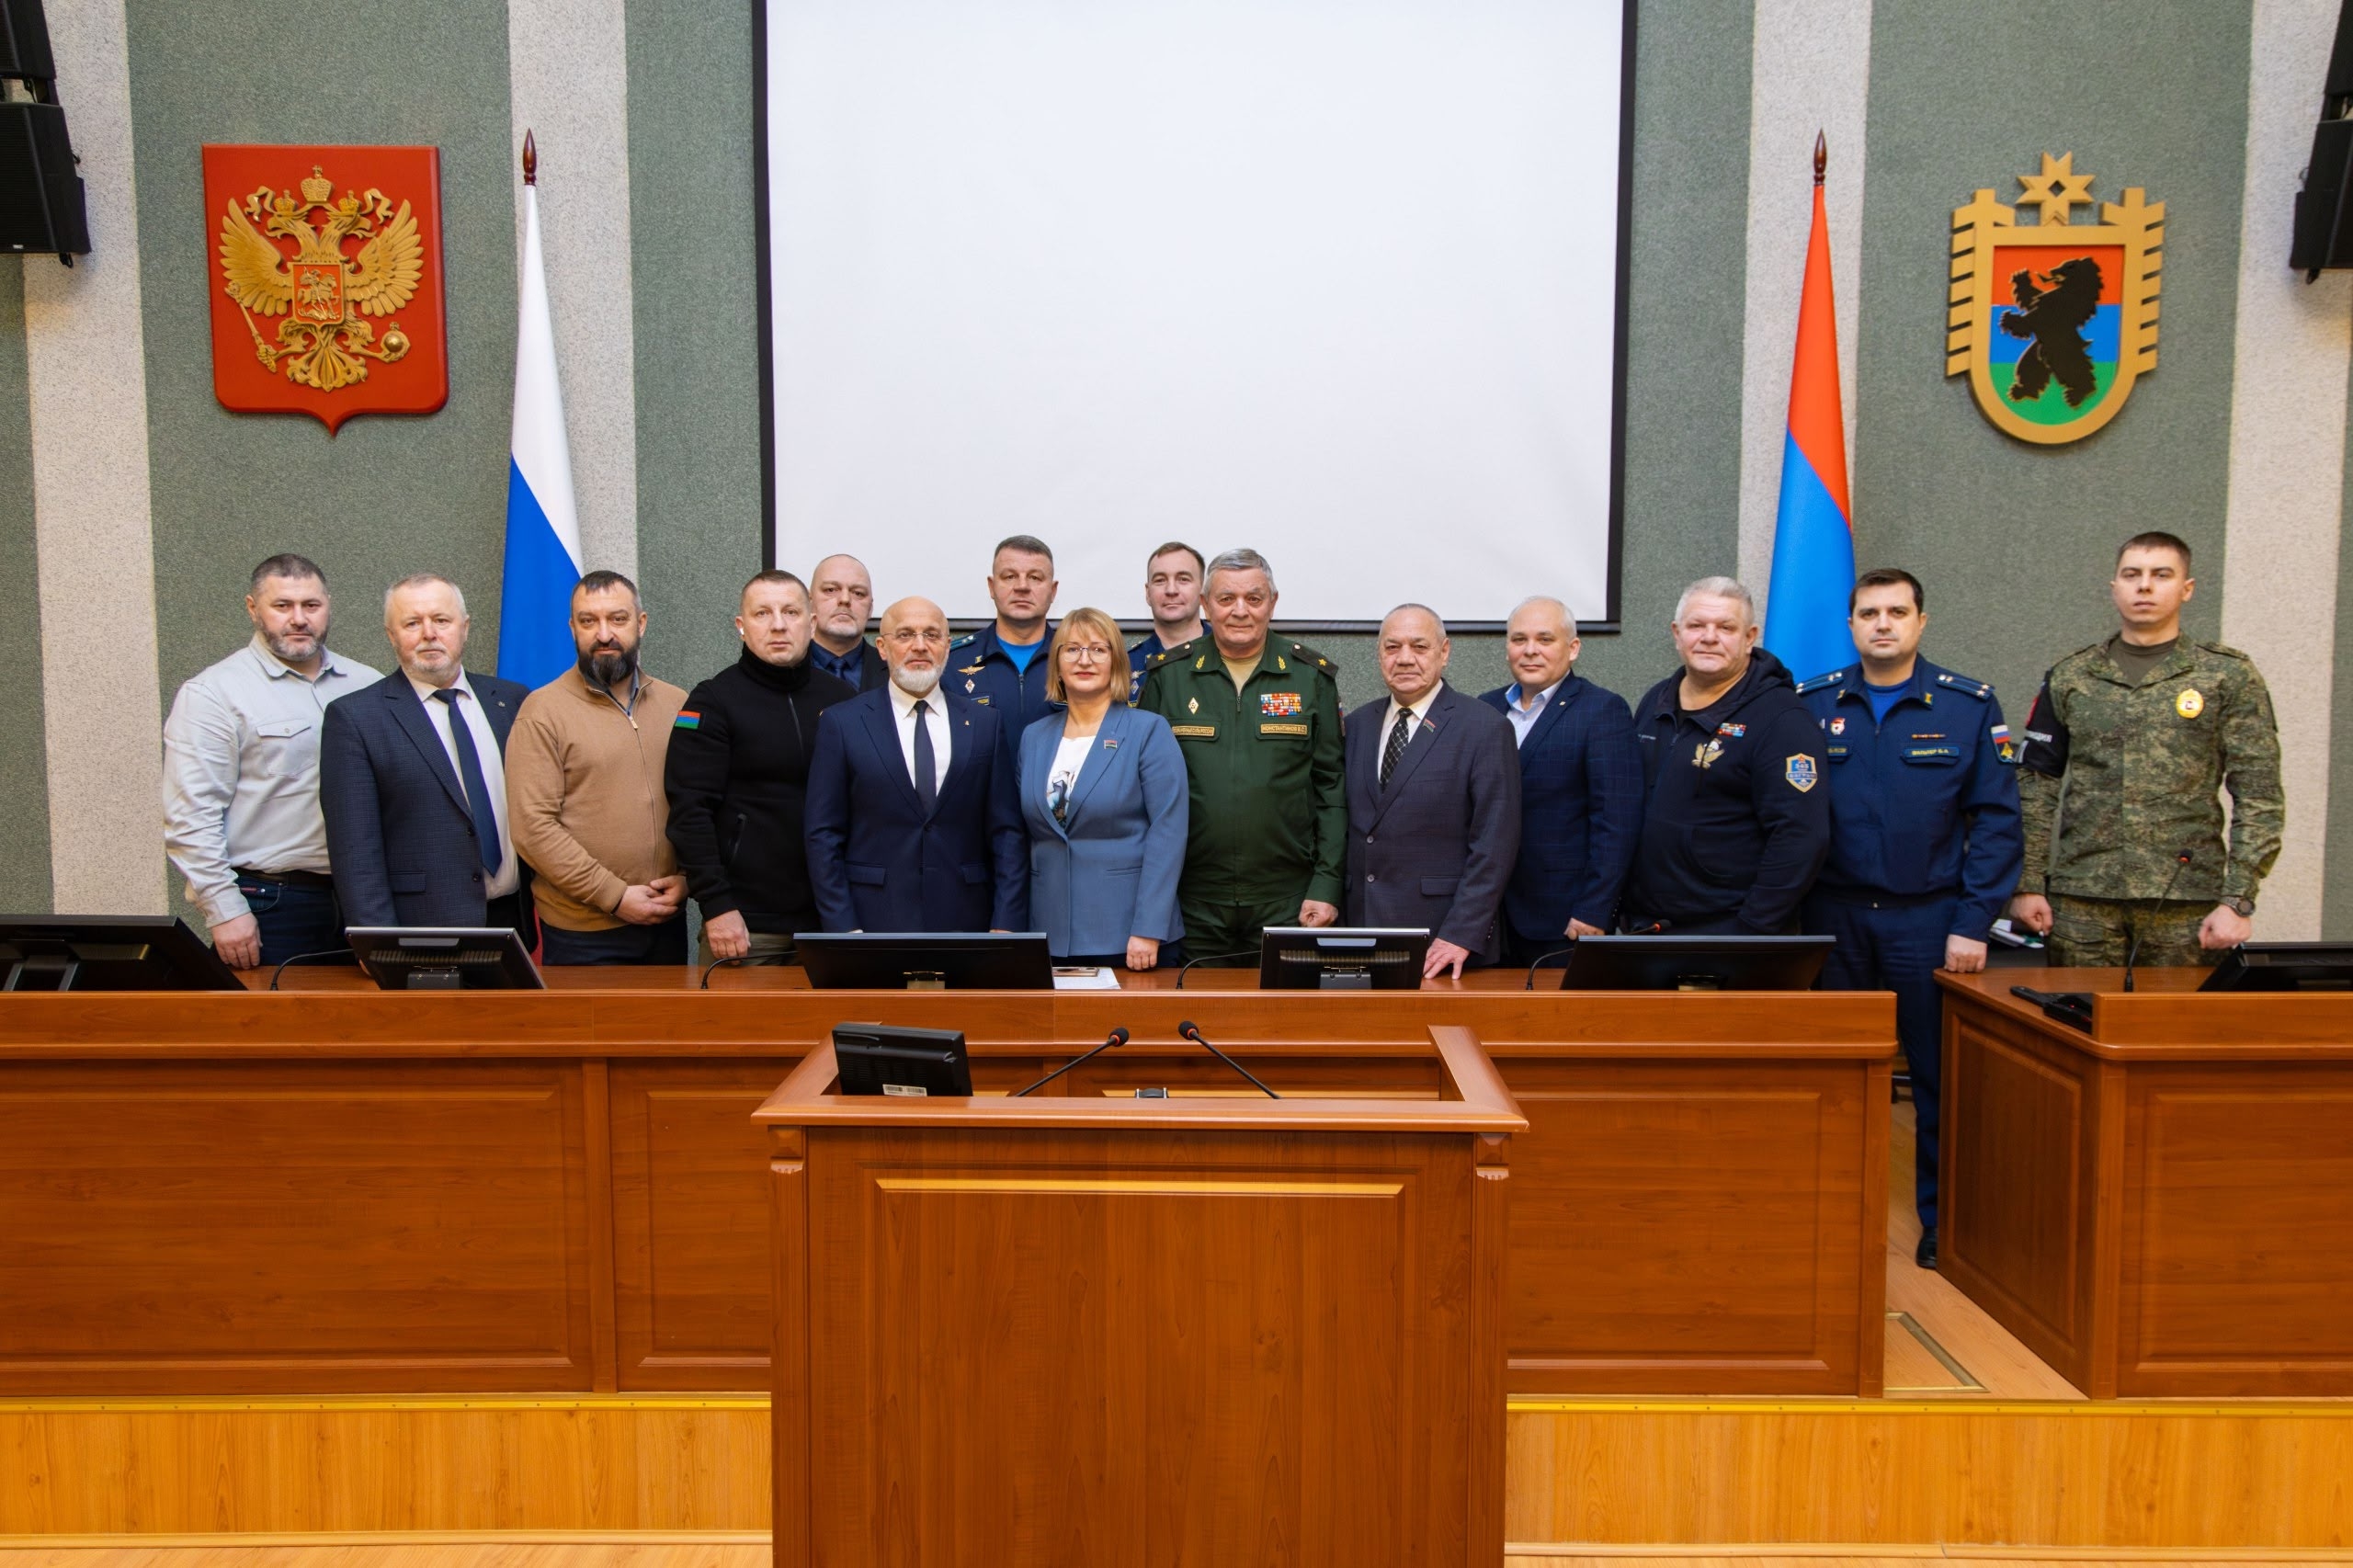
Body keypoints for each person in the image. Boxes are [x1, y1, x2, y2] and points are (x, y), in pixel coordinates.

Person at [1797, 569, 2023, 1270]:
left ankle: (1942, 1223)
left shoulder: (1967, 706)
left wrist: (1974, 921)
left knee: (1938, 1082)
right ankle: (1833, 1215)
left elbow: (1997, 823)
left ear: (1921, 622)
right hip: (1831, 921)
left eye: (1897, 612)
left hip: (1928, 922)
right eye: (1869, 613)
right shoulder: (1810, 704)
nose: (1883, 624)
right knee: (1832, 1080)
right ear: (1851, 625)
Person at [2008, 532, 2283, 966]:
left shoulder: (2226, 676)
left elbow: (2259, 794)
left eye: (2161, 575)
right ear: (2114, 587)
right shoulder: (2072, 675)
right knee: (2078, 1009)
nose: (2145, 586)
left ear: (2186, 589)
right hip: (2084, 900)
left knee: (2177, 1014)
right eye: (2132, 574)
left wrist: (2238, 899)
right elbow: (2035, 787)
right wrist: (2027, 884)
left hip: (2185, 901)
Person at [164, 554, 383, 968]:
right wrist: (224, 911)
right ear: (253, 608)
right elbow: (190, 817)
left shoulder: (368, 684)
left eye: (311, 605)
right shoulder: (214, 694)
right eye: (282, 606)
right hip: (273, 906)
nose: (299, 619)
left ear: (328, 606)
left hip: (365, 901)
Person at [1135, 547, 1346, 960]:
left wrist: (1327, 885)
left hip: (1288, 900)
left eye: (1254, 598)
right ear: (1205, 604)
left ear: (1273, 603)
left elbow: (1332, 790)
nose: (1240, 611)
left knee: (1284, 1004)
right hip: (1191, 900)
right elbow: (1141, 794)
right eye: (1226, 598)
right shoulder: (1169, 677)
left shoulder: (1309, 676)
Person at [317, 573, 530, 935]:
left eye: (441, 620)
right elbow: (355, 850)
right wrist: (378, 940)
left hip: (515, 919)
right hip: (421, 927)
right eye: (412, 623)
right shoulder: (355, 718)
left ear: (464, 628)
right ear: (391, 635)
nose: (429, 633)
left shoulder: (511, 700)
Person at [664, 570, 857, 965]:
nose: (778, 625)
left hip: (831, 921)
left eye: (791, 612)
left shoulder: (843, 699)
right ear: (741, 625)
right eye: (762, 613)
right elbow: (689, 813)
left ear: (812, 623)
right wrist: (717, 905)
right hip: (746, 928)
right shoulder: (713, 701)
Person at [804, 596, 1028, 933]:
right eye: (905, 635)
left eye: (932, 635)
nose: (920, 646)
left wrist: (1006, 922)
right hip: (872, 920)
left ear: (947, 647)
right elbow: (823, 834)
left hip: (966, 919)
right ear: (882, 648)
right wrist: (842, 926)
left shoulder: (984, 723)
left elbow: (1007, 833)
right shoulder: (843, 723)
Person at [505, 571, 691, 965]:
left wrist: (688, 879)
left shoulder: (678, 704)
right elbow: (533, 829)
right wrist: (614, 896)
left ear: (641, 623)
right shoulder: (542, 712)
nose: (604, 634)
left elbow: (698, 801)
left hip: (666, 921)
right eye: (588, 621)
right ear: (573, 628)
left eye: (618, 619)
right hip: (584, 935)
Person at [1625, 576, 1830, 934]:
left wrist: (1751, 929)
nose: (1709, 637)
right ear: (1676, 633)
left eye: (1726, 627)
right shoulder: (1657, 700)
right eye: (1696, 626)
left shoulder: (1782, 719)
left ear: (1750, 638)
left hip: (1729, 930)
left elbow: (1800, 837)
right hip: (1649, 924)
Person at [1342, 605, 1520, 979]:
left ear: (1444, 652)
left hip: (1444, 942)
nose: (1405, 658)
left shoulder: (1484, 728)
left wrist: (1461, 934)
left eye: (1419, 646)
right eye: (1392, 647)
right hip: (1360, 930)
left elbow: (1495, 845)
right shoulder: (1357, 725)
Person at [1017, 607, 1188, 969]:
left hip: (1127, 935)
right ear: (1056, 664)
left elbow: (1169, 833)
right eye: (1072, 649)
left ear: (1117, 663)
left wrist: (1148, 928)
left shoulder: (1147, 731)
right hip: (1047, 931)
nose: (1085, 660)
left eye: (1098, 649)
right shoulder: (1034, 737)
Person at [1476, 596, 1642, 963]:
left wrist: (1596, 908)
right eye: (1519, 639)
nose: (1530, 650)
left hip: (1564, 918)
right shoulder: (1486, 709)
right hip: (1489, 916)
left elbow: (1617, 823)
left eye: (1545, 639)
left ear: (1573, 648)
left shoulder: (1602, 711)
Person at [949, 534, 1060, 733]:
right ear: (992, 587)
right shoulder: (952, 662)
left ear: (1053, 591)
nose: (1022, 587)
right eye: (1010, 577)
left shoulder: (1076, 660)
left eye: (1035, 578)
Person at [1127, 540, 1211, 701]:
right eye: (1160, 580)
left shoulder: (1228, 654)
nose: (1171, 590)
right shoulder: (1125, 665)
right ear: (1148, 593)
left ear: (1202, 590)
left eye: (1183, 579)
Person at [805, 553, 887, 691]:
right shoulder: (784, 666)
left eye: (858, 593)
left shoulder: (895, 671)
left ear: (870, 608)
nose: (845, 599)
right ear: (809, 601)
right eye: (831, 590)